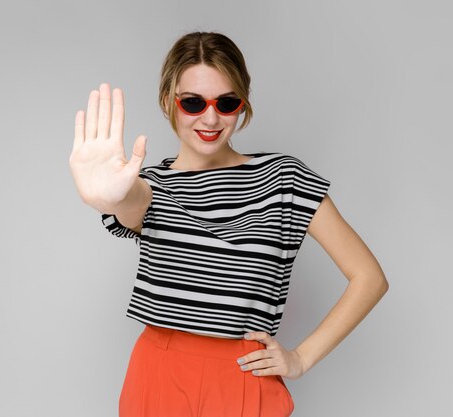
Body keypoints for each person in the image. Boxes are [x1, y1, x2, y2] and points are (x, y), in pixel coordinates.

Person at [69, 31, 388, 417]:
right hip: (159, 370)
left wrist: (301, 358)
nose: (210, 117)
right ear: (169, 102)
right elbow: (132, 202)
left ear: (243, 104)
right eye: (192, 102)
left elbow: (369, 277)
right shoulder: (149, 185)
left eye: (226, 102)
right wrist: (109, 197)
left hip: (242, 374)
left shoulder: (284, 179)